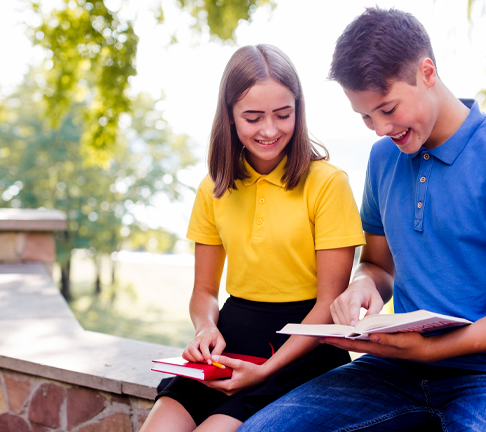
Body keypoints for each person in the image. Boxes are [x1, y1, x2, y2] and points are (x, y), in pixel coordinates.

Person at [238, 8, 486, 432]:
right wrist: (362, 286)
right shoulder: (383, 159)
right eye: (365, 117)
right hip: (394, 372)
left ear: (427, 72)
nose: (379, 129)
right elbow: (379, 265)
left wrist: (434, 351)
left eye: (387, 108)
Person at [139, 44, 365, 432]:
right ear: (229, 116)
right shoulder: (214, 188)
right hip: (232, 339)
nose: (269, 129)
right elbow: (205, 292)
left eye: (283, 114)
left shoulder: (328, 184)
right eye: (253, 117)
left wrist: (266, 370)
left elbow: (330, 303)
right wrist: (205, 329)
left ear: (299, 110)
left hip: (302, 350)